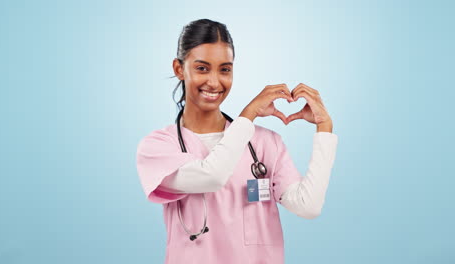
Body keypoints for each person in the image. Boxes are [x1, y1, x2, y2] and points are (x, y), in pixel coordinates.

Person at [136, 18, 338, 264]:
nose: (214, 81)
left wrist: (324, 129)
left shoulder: (265, 143)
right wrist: (249, 114)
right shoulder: (158, 147)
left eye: (225, 69)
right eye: (202, 68)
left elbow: (308, 206)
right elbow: (213, 176)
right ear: (179, 69)